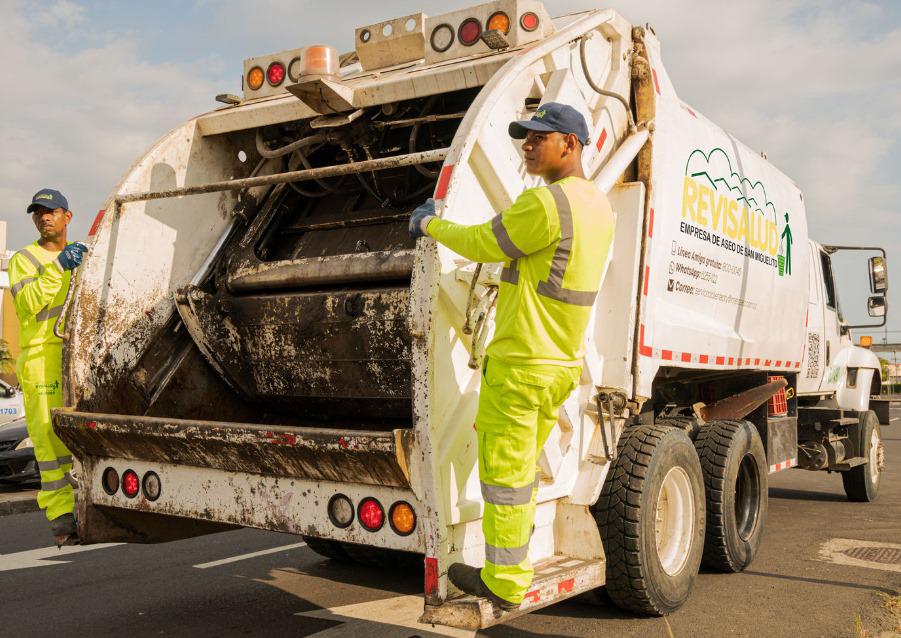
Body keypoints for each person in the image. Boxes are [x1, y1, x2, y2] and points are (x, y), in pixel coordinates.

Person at [408, 103, 615, 611]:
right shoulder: (598, 207)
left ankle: (504, 579)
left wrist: (431, 225)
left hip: (522, 365)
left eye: (539, 137)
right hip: (558, 367)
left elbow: (483, 242)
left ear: (569, 144)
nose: (527, 144)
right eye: (524, 136)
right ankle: (511, 568)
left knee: (503, 477)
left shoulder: (548, 204)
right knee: (518, 477)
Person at [9, 188, 87, 545]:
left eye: (51, 211)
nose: (44, 217)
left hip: (79, 355)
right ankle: (61, 517)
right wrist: (59, 268)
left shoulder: (82, 256)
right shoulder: (25, 259)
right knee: (47, 436)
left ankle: (91, 502)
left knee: (83, 431)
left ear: (67, 217)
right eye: (37, 213)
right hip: (41, 357)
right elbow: (28, 305)